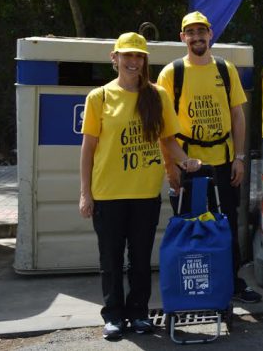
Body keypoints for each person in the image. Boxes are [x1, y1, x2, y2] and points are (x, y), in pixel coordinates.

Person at [79, 32, 201, 341]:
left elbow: (168, 141)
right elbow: (88, 149)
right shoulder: (99, 97)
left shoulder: (157, 95)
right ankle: (114, 316)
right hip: (107, 194)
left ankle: (139, 314)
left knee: (140, 260)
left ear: (144, 61)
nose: (133, 61)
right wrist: (85, 193)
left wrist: (186, 162)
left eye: (139, 56)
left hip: (145, 193)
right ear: (115, 58)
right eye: (127, 55)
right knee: (110, 260)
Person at [156, 11, 262, 304]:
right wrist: (171, 167)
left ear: (210, 34)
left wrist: (240, 158)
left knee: (226, 223)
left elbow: (238, 115)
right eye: (190, 32)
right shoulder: (171, 73)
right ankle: (191, 285)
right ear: (182, 38)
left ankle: (233, 283)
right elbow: (164, 128)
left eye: (201, 31)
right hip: (187, 165)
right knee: (189, 224)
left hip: (224, 162)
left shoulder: (225, 69)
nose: (197, 37)